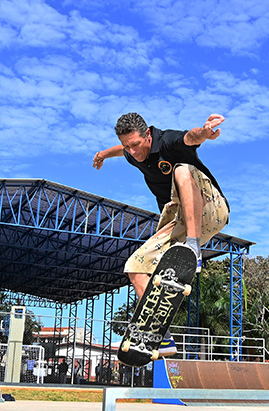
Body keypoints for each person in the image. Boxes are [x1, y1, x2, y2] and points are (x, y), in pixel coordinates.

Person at [93, 112, 230, 357]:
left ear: (147, 135)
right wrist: (103, 154)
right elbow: (121, 150)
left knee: (182, 170)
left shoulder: (166, 141)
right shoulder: (132, 153)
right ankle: (162, 337)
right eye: (128, 147)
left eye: (135, 145)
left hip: (211, 208)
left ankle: (194, 247)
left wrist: (205, 132)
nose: (133, 152)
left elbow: (190, 137)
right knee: (134, 267)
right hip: (178, 220)